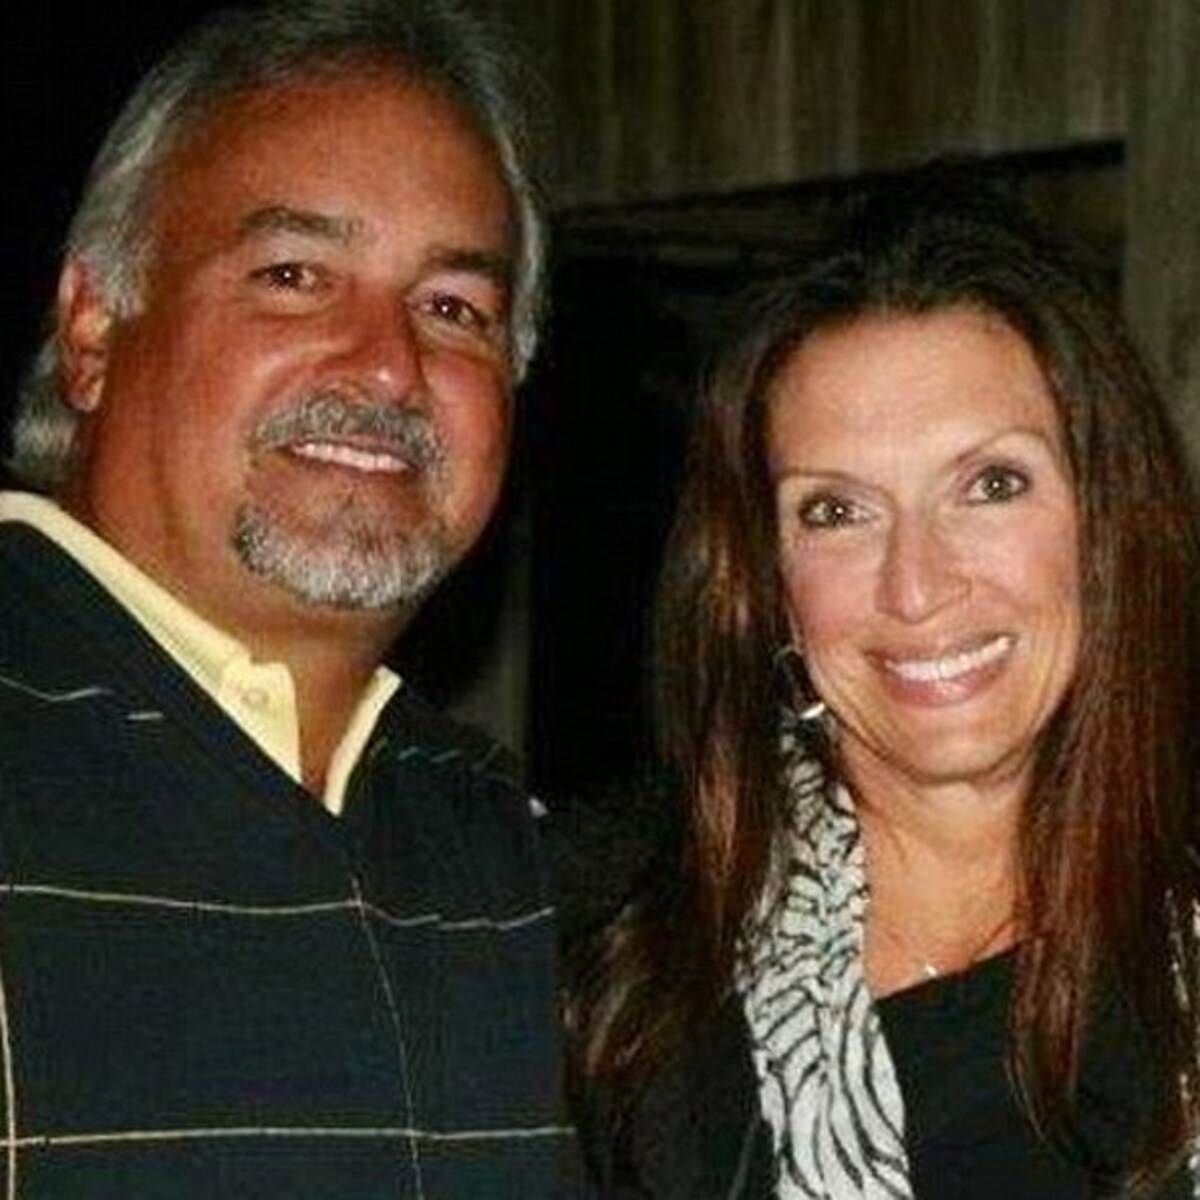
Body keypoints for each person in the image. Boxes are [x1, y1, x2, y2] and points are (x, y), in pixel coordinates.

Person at [0, 1, 578, 1195]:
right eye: (295, 276)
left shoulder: (508, 858)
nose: (388, 364)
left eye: (453, 308)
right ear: (94, 327)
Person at [561, 171, 1200, 1198]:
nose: (916, 586)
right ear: (765, 581)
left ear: (1108, 521)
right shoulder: (613, 972)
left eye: (991, 485)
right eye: (837, 512)